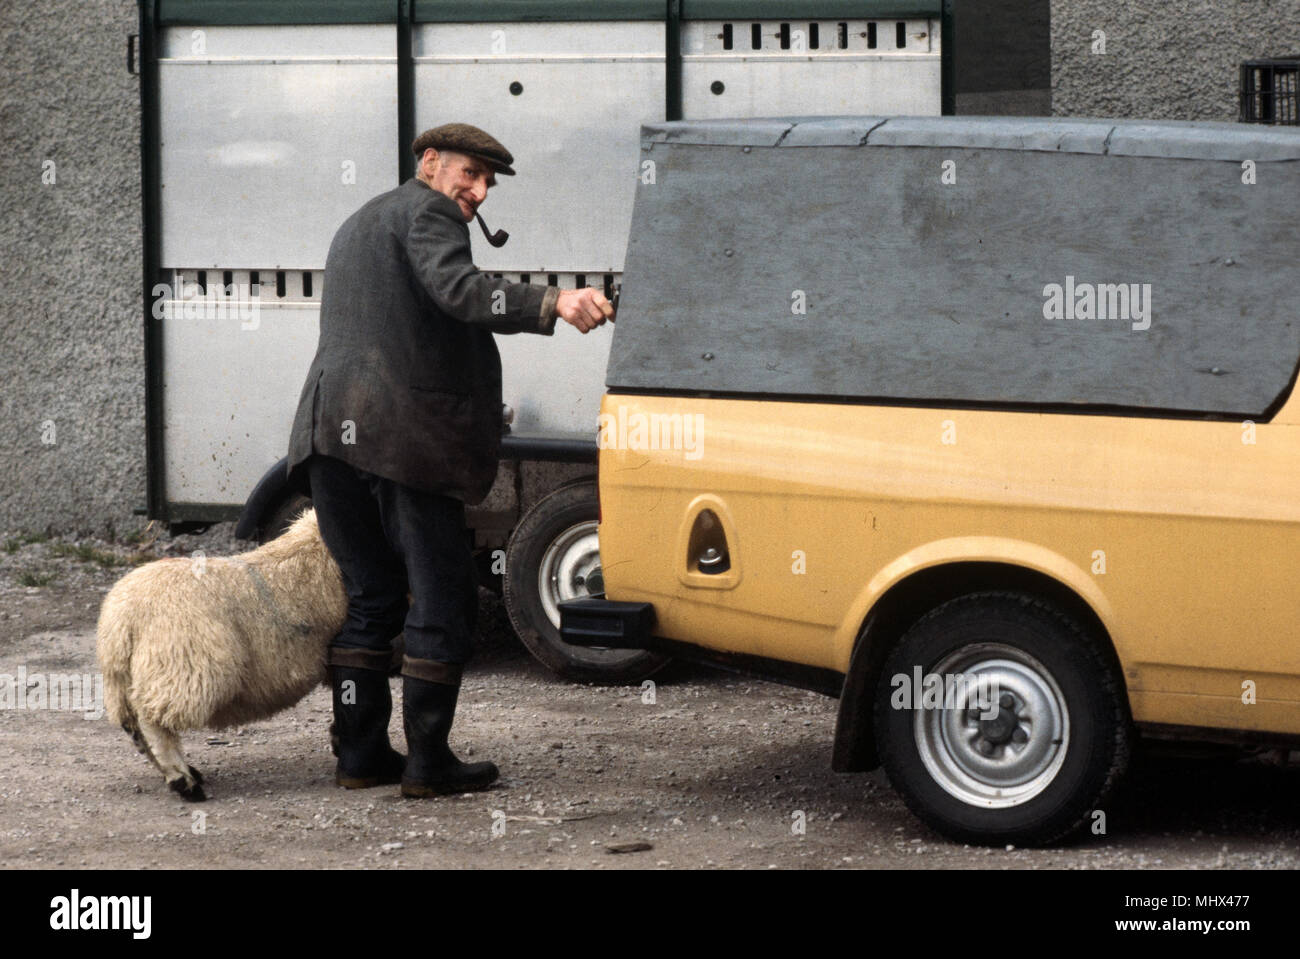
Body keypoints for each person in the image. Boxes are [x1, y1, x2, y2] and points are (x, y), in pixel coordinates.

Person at [285, 122, 613, 797]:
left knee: (371, 596)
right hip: (400, 440)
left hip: (327, 436)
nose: (479, 189)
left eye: (487, 181)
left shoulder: (359, 220)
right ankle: (429, 764)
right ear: (430, 163)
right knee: (442, 596)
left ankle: (360, 756)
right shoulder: (428, 211)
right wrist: (557, 300)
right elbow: (458, 290)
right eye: (471, 173)